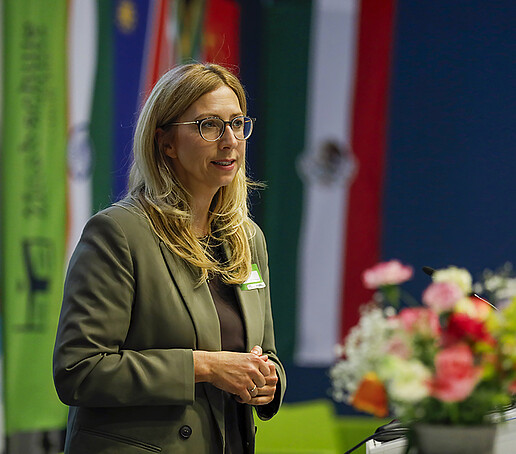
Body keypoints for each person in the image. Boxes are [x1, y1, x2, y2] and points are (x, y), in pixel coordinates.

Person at [53, 62, 286, 454]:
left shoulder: (247, 238)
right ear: (166, 143)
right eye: (209, 125)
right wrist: (205, 366)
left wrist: (269, 380)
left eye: (237, 123)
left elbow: (266, 352)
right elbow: (79, 371)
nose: (230, 140)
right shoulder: (119, 233)